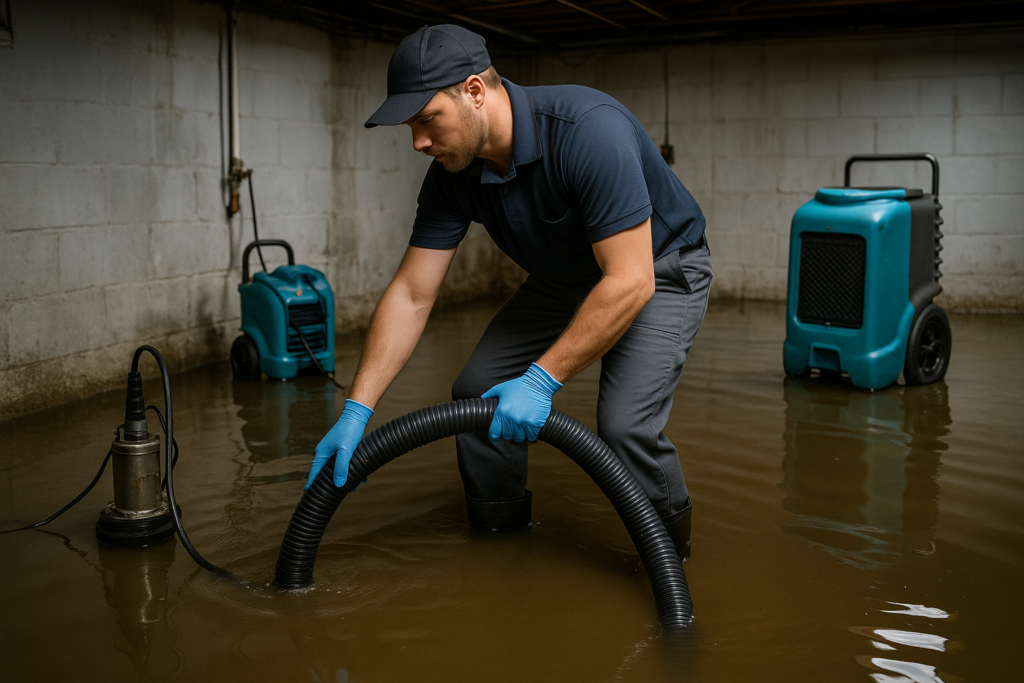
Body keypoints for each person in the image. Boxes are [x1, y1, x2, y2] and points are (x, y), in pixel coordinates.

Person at [306, 24, 712, 563]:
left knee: (623, 426)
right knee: (477, 392)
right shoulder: (452, 173)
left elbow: (629, 280)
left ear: (475, 91)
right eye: (410, 127)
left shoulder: (589, 130)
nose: (418, 142)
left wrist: (541, 380)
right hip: (564, 276)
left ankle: (669, 559)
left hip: (658, 269)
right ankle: (500, 543)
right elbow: (411, 294)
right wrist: (357, 409)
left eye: (427, 119)